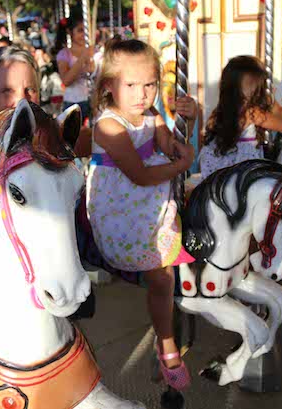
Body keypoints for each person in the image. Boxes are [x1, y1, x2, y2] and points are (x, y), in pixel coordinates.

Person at [86, 39, 197, 391]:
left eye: (149, 84)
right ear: (109, 86)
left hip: (153, 195)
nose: (142, 94)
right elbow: (140, 175)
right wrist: (182, 164)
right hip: (121, 207)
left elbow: (171, 148)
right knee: (162, 277)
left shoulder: (151, 115)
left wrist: (189, 121)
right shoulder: (108, 125)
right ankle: (167, 344)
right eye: (131, 85)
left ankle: (167, 334)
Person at [199, 56, 282, 179]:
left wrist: (272, 103)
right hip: (238, 172)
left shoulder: (252, 113)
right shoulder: (250, 114)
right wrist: (271, 102)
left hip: (235, 170)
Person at [55, 9, 97, 122]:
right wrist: (83, 58)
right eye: (80, 30)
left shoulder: (95, 51)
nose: (84, 35)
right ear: (70, 32)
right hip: (74, 102)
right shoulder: (64, 54)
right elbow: (66, 80)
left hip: (94, 100)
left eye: (86, 30)